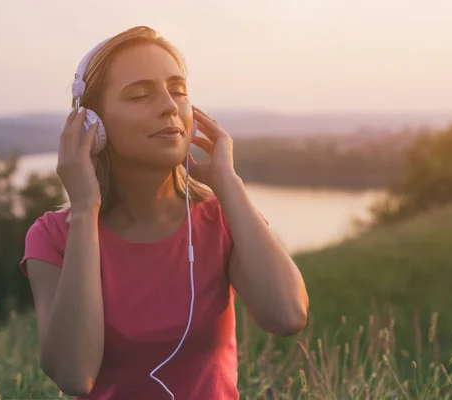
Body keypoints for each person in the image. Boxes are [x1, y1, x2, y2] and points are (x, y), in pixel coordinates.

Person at [19, 25, 309, 400]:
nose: (170, 106)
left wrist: (229, 183)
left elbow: (286, 316)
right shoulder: (54, 236)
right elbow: (74, 375)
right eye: (139, 94)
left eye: (178, 90)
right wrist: (85, 210)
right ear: (93, 124)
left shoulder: (221, 219)